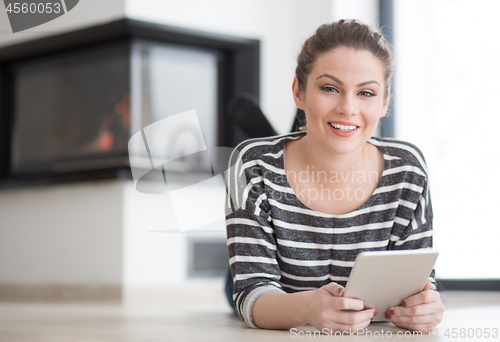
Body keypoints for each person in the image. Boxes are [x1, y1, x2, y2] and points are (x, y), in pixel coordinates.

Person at [224, 19, 444, 333]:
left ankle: (294, 131)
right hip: (275, 280)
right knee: (230, 281)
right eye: (330, 88)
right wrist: (306, 307)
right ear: (298, 92)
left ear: (384, 102)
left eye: (366, 92)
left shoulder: (407, 170)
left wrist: (426, 304)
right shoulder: (250, 166)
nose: (348, 107)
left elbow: (420, 281)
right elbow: (252, 293)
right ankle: (286, 139)